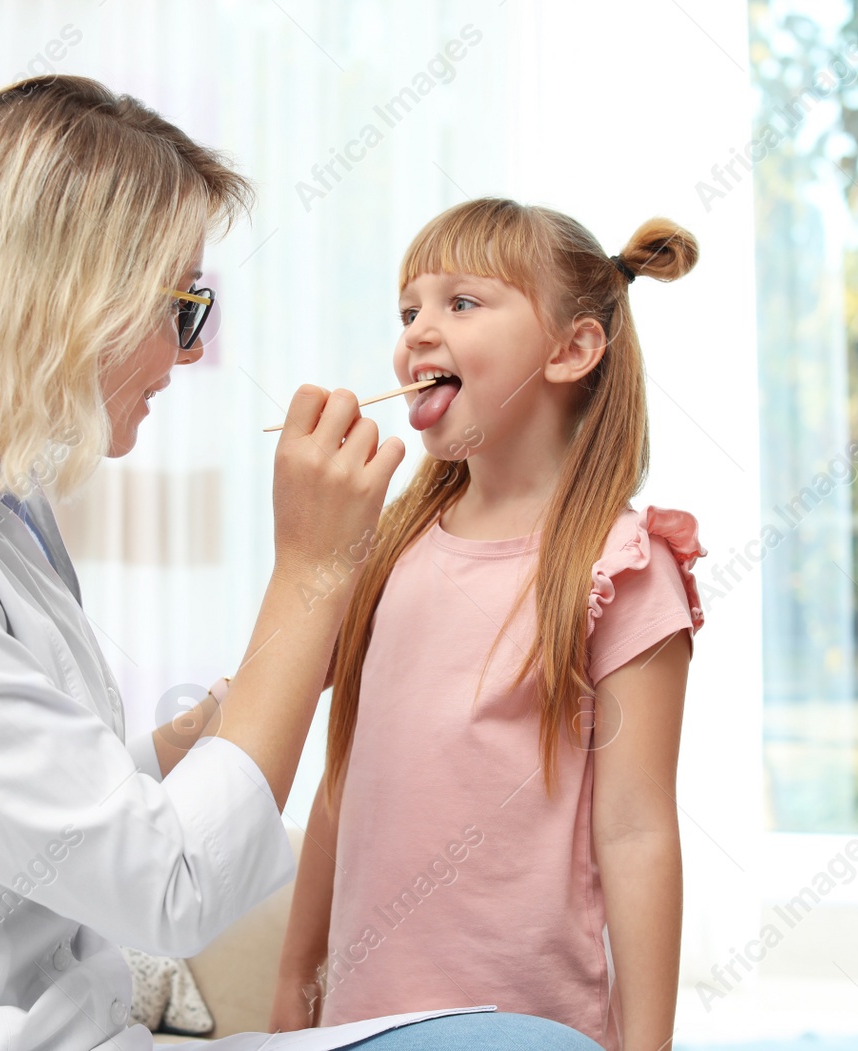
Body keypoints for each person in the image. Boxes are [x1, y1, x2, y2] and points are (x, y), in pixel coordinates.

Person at [0, 77, 601, 1051]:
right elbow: (165, 887)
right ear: (64, 298)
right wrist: (310, 573)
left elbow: (24, 812)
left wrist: (175, 748)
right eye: (180, 304)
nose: (186, 352)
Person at [269, 199, 706, 1050]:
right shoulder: (383, 551)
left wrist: (648, 1045)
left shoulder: (620, 567)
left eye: (460, 303)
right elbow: (343, 780)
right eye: (409, 310)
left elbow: (638, 827)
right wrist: (296, 975)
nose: (418, 333)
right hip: (361, 1021)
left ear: (573, 349)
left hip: (527, 1026)